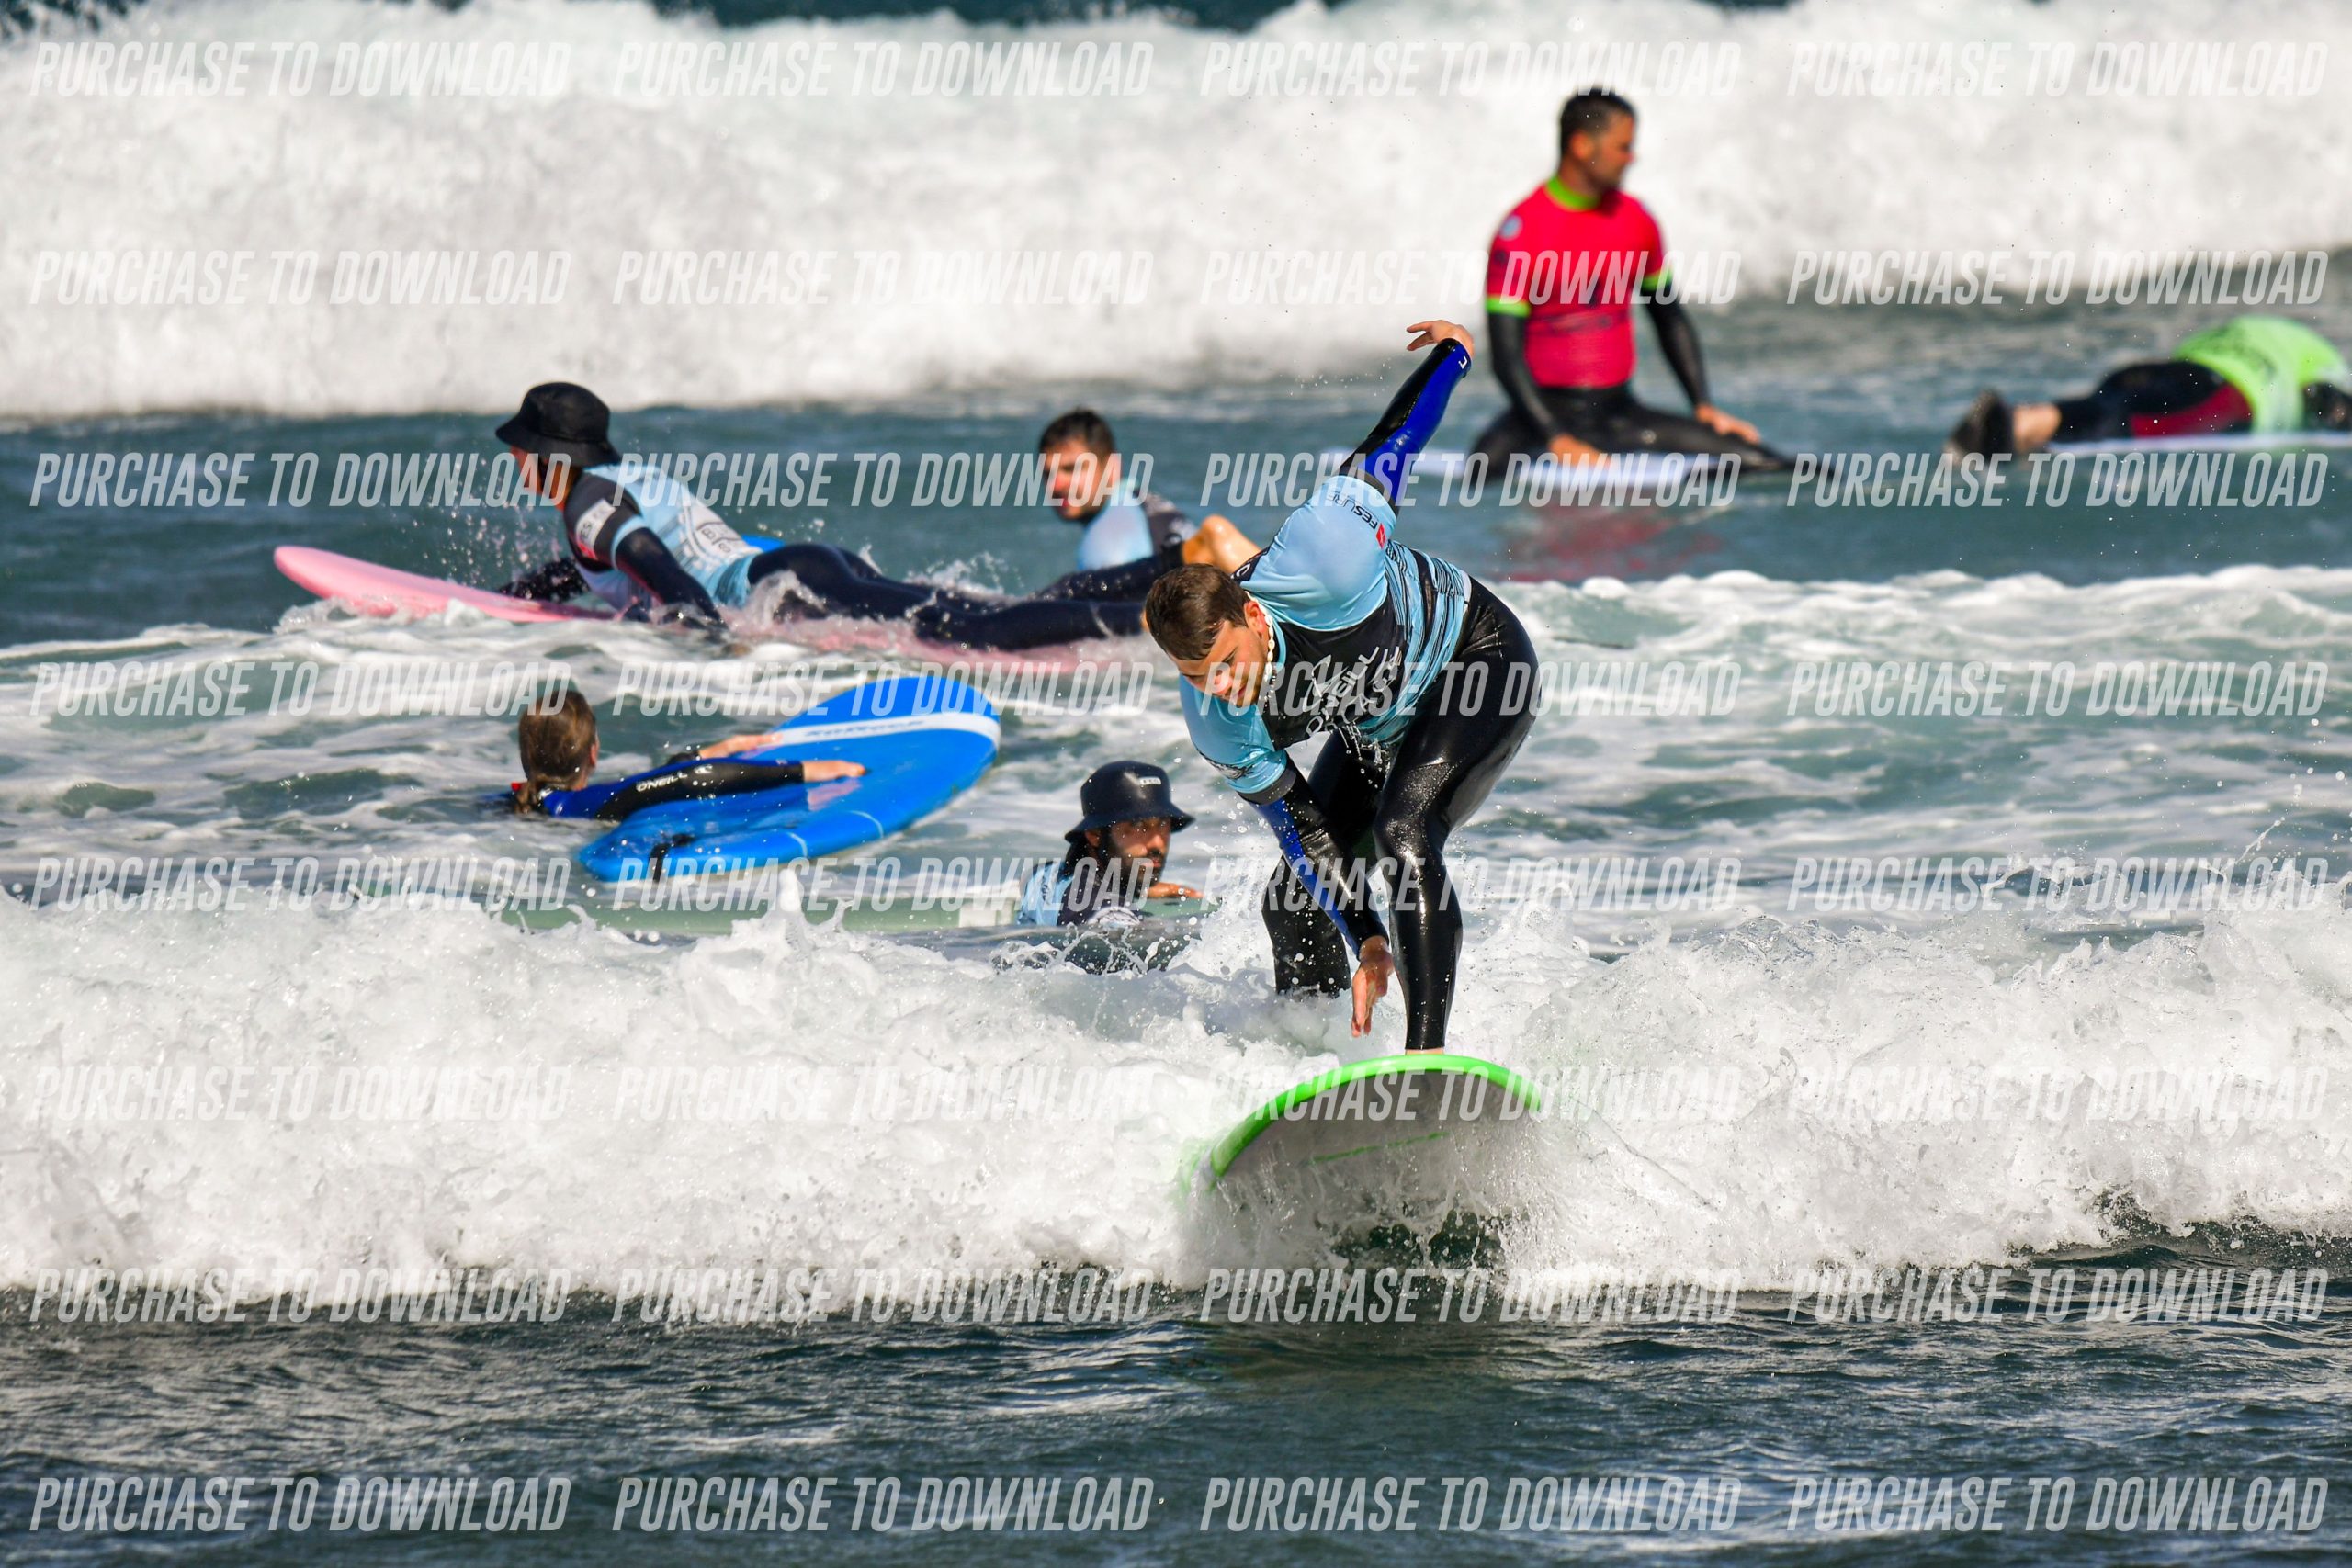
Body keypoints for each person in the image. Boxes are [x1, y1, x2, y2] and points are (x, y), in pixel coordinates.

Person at [1144, 320, 1535, 1053]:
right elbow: (1302, 831)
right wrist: (1368, 939)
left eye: (1226, 662)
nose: (1221, 687)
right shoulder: (1217, 721)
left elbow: (1394, 447)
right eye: (1197, 677)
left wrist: (1454, 356)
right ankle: (1319, 1054)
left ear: (1251, 614)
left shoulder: (1326, 554)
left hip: (1476, 659)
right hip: (1376, 725)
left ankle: (1426, 1064)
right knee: (1294, 901)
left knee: (1403, 832)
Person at [492, 383, 1147, 651]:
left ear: (550, 453)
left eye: (522, 449)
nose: (517, 459)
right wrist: (510, 598)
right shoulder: (619, 481)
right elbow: (598, 565)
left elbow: (663, 574)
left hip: (785, 586)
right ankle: (1138, 606)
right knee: (972, 610)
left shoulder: (587, 503)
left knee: (978, 632)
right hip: (798, 569)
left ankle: (1142, 622)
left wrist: (716, 649)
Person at [1473, 90, 1785, 472]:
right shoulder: (1522, 231)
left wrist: (1703, 405)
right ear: (1581, 145)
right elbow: (1506, 356)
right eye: (1623, 147)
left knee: (1764, 462)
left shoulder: (1635, 220)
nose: (1631, 158)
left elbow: (1669, 318)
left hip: (1620, 415)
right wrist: (1557, 437)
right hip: (1539, 421)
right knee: (1480, 470)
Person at [1947, 315, 2352, 457]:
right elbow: (2332, 404)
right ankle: (2008, 426)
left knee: (2106, 407)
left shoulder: (2268, 331)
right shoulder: (2327, 359)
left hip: (2167, 372)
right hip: (2219, 397)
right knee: (2117, 421)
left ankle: (2019, 433)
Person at [511, 686, 863, 818]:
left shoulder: (520, 802)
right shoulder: (579, 804)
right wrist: (798, 771)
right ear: (593, 753)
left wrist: (712, 752)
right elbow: (684, 781)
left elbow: (650, 783)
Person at [1034, 409, 1259, 601]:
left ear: (1112, 467)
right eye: (1048, 473)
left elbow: (1117, 624)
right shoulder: (1140, 504)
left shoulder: (1109, 537)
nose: (1056, 484)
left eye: (1071, 469)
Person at [1016, 761, 1202, 927]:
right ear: (1095, 834)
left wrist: (1140, 889)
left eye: (1162, 824)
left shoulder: (1044, 876)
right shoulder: (1105, 916)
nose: (1157, 842)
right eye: (1138, 825)